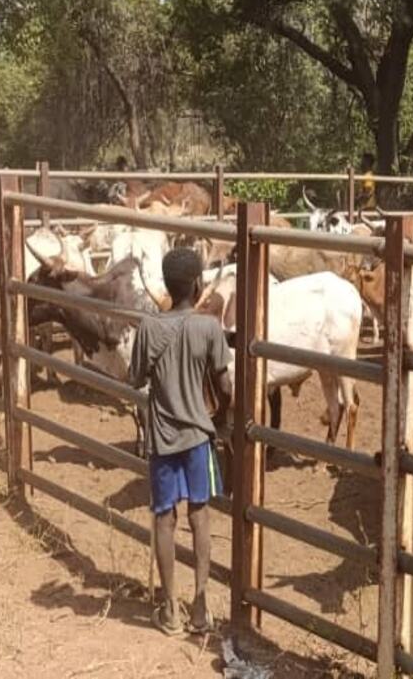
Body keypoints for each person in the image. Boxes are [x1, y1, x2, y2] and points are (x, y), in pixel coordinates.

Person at [129, 247, 232, 636]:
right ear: (198, 284)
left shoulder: (149, 327)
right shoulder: (209, 328)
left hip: (162, 439)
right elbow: (225, 386)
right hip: (198, 437)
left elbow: (136, 377)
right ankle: (201, 606)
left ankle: (171, 609)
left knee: (164, 517)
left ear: (168, 286)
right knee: (199, 515)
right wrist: (220, 416)